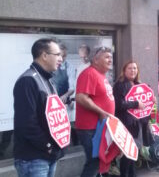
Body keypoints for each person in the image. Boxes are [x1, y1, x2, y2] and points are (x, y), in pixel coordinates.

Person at [13, 38, 63, 177]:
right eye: (57, 54)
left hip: (48, 155)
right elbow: (26, 123)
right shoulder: (28, 80)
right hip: (34, 158)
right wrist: (48, 146)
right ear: (44, 55)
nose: (61, 58)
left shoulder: (47, 80)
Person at [75, 46, 115, 177]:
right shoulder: (89, 73)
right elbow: (81, 97)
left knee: (99, 161)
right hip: (90, 128)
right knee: (94, 161)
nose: (110, 60)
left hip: (100, 127)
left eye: (111, 57)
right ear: (95, 60)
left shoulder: (101, 75)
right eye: (107, 57)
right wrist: (101, 112)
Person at [113, 60, 154, 177]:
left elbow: (144, 102)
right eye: (130, 68)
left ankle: (132, 174)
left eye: (135, 68)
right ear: (124, 71)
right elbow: (119, 104)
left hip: (137, 123)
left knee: (134, 151)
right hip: (126, 123)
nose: (133, 71)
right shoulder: (120, 85)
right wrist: (136, 104)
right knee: (127, 152)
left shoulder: (138, 84)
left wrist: (151, 101)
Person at [51, 44, 78, 145]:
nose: (62, 58)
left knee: (69, 125)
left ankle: (74, 145)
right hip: (52, 101)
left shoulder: (69, 67)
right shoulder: (50, 66)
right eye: (60, 55)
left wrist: (65, 96)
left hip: (65, 100)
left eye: (64, 56)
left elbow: (72, 87)